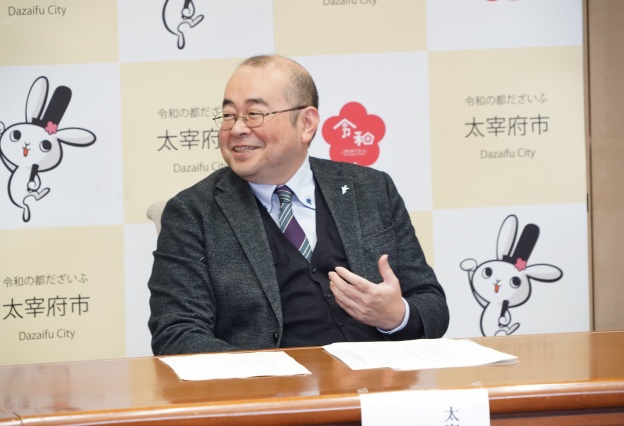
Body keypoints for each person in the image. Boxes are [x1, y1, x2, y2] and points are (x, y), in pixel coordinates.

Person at [148, 54, 449, 355]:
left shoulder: (370, 189)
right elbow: (176, 333)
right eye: (229, 115)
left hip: (378, 377)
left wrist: (396, 317)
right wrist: (265, 372)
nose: (237, 129)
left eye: (254, 114)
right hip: (270, 383)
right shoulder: (192, 213)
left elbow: (430, 302)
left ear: (306, 123)